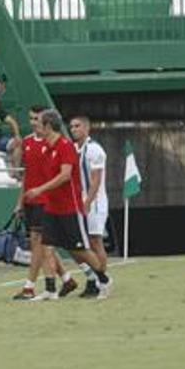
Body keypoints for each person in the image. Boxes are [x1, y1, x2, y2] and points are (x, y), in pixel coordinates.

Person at [24, 109, 112, 301]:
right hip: (51, 207)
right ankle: (50, 289)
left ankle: (103, 280)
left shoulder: (65, 147)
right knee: (46, 247)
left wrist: (39, 190)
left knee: (79, 249)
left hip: (69, 207)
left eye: (39, 123)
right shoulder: (46, 148)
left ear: (48, 126)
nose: (36, 126)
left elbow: (64, 176)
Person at [12, 106, 76, 300]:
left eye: (37, 119)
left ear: (46, 123)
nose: (33, 122)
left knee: (39, 244)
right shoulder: (27, 142)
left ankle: (30, 286)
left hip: (45, 200)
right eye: (31, 118)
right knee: (43, 244)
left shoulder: (55, 145)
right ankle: (66, 279)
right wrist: (19, 202)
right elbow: (25, 175)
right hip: (32, 199)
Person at [69, 116, 110, 298]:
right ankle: (92, 277)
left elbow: (96, 180)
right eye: (71, 126)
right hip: (78, 202)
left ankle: (102, 281)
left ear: (87, 128)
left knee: (95, 241)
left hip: (95, 202)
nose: (74, 129)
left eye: (77, 126)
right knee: (76, 244)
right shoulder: (73, 149)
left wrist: (87, 203)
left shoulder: (94, 149)